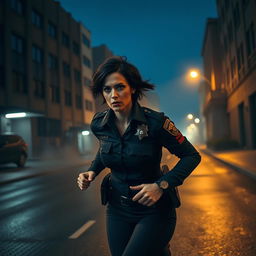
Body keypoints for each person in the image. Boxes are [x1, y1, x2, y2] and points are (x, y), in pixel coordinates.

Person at [77, 56, 201, 256]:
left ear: (133, 88)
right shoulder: (99, 124)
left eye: (120, 87)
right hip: (117, 209)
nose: (113, 95)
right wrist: (91, 171)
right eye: (107, 89)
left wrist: (161, 185)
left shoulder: (156, 123)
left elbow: (191, 156)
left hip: (155, 210)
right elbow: (105, 150)